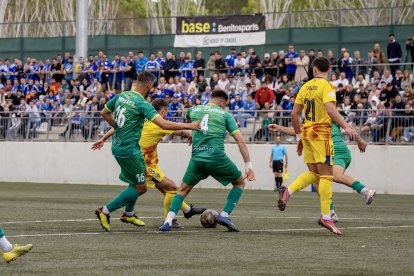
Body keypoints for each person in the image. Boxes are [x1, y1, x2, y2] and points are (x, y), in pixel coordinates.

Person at [94, 72, 200, 232]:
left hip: (119, 146)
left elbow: (104, 113)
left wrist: (116, 129)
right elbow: (163, 124)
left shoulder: (121, 96)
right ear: (150, 86)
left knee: (136, 181)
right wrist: (189, 126)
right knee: (142, 187)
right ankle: (105, 210)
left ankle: (129, 213)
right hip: (129, 151)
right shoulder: (142, 104)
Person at [274, 57, 359, 236]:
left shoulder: (304, 87)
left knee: (315, 174)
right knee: (327, 176)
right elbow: (330, 109)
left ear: (313, 70)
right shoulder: (327, 86)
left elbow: (294, 114)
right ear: (329, 69)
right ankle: (326, 216)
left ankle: (288, 190)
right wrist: (346, 126)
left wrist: (299, 137)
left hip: (307, 133)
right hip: (322, 134)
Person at [159, 89, 256, 232]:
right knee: (239, 182)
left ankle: (167, 222)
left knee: (182, 191)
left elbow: (187, 120)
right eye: (224, 104)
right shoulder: (225, 115)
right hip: (217, 157)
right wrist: (249, 166)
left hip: (197, 158)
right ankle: (224, 215)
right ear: (222, 102)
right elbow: (240, 141)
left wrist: (193, 135)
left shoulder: (193, 110)